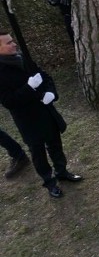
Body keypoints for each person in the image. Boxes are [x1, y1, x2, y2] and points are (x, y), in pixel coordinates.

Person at [0, 31, 82, 198]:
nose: (14, 44)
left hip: (45, 110)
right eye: (8, 43)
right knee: (38, 153)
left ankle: (62, 172)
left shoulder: (23, 58)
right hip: (27, 120)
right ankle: (49, 182)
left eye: (12, 40)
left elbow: (45, 77)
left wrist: (51, 93)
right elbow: (9, 101)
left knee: (55, 145)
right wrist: (29, 88)